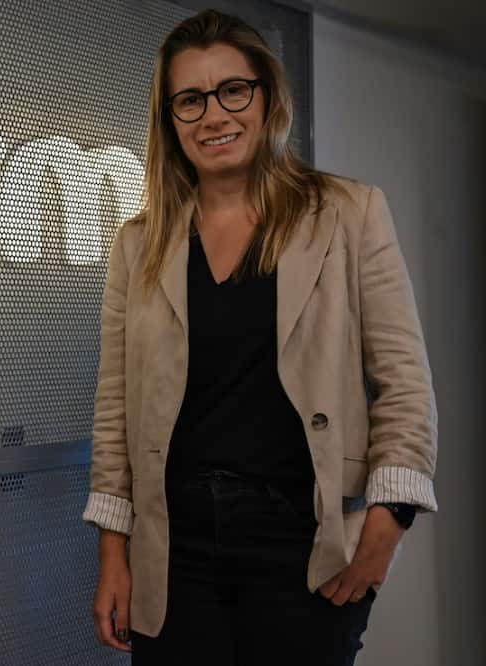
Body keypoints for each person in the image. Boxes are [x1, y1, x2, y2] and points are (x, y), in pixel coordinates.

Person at [81, 9, 438, 665]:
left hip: (301, 543)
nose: (214, 116)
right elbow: (114, 411)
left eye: (232, 90)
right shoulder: (140, 243)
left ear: (267, 97)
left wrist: (387, 527)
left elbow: (404, 384)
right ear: (169, 118)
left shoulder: (348, 214)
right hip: (174, 550)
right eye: (190, 100)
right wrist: (114, 553)